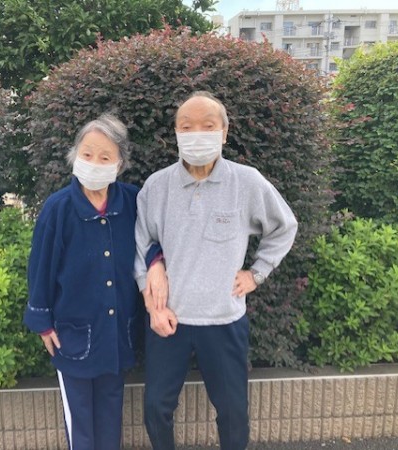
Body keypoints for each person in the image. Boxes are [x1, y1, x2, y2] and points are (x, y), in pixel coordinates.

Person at [134, 91, 298, 450]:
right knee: (156, 410)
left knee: (233, 413)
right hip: (169, 320)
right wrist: (151, 295)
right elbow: (142, 242)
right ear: (175, 134)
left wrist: (257, 273)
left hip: (224, 319)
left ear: (224, 133)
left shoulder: (247, 182)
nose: (197, 134)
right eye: (186, 126)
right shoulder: (156, 187)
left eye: (208, 126)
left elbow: (284, 226)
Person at [24, 114, 147, 450]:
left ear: (120, 163)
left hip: (116, 335)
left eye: (105, 157)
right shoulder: (58, 208)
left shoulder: (133, 201)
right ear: (75, 155)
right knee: (80, 425)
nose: (94, 163)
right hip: (72, 336)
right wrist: (42, 323)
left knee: (111, 416)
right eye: (87, 154)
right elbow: (40, 267)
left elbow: (151, 243)